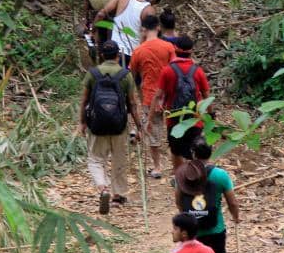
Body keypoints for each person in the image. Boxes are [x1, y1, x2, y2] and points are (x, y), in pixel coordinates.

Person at [79, 41, 143, 214]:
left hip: (97, 125)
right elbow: (132, 103)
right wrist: (139, 127)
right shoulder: (125, 75)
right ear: (118, 55)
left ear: (101, 55)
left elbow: (84, 101)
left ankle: (103, 188)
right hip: (119, 125)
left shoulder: (92, 74)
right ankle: (118, 196)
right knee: (119, 160)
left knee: (95, 159)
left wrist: (82, 122)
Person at [176, 141, 241, 253]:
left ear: (193, 154)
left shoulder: (183, 173)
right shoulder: (220, 175)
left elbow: (178, 200)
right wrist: (236, 217)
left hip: (192, 231)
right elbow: (232, 202)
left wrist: (187, 217)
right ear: (210, 153)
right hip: (215, 229)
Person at [150, 35, 212, 171]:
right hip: (195, 118)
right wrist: (211, 114)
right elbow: (207, 95)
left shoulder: (167, 71)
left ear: (175, 49)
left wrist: (150, 119)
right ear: (191, 51)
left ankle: (180, 179)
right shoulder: (198, 71)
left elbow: (158, 95)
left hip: (174, 119)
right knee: (195, 148)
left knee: (176, 150)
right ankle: (195, 177)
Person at [130, 14, 176, 179]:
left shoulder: (138, 50)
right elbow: (175, 69)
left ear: (143, 29)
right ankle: (179, 164)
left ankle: (157, 167)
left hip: (150, 95)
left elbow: (132, 73)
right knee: (174, 129)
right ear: (158, 27)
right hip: (170, 96)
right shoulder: (169, 47)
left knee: (153, 130)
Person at [94, 0, 162, 66]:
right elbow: (150, 35)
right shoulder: (149, 10)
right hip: (133, 54)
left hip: (113, 50)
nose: (151, 4)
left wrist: (93, 30)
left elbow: (100, 14)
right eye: (153, 3)